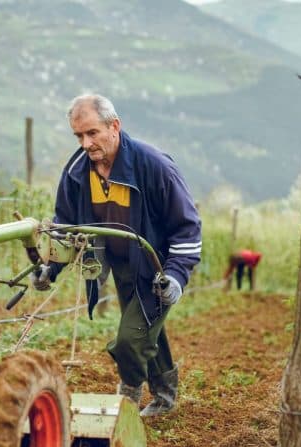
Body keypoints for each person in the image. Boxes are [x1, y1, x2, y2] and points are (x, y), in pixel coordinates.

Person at [32, 94, 202, 418]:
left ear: (115, 126)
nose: (85, 143)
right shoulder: (77, 173)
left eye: (92, 133)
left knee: (130, 340)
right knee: (144, 331)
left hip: (156, 268)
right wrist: (49, 268)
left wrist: (177, 276)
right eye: (79, 136)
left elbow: (188, 227)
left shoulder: (154, 166)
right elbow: (67, 227)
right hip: (122, 266)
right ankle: (166, 397)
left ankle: (126, 403)